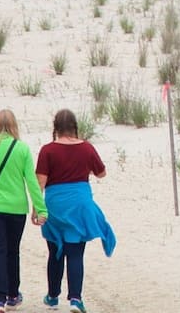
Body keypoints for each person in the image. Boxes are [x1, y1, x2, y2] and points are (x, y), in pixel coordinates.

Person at [35, 109, 115, 313]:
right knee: (75, 252)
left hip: (55, 205)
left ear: (56, 127)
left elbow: (40, 183)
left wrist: (37, 209)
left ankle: (53, 296)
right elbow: (102, 173)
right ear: (74, 127)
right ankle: (75, 299)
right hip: (80, 204)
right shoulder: (86, 148)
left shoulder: (47, 150)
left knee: (55, 250)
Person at [0, 109, 45, 313]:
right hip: (17, 208)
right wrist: (40, 208)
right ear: (14, 126)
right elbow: (31, 181)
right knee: (13, 250)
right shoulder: (22, 149)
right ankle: (13, 294)